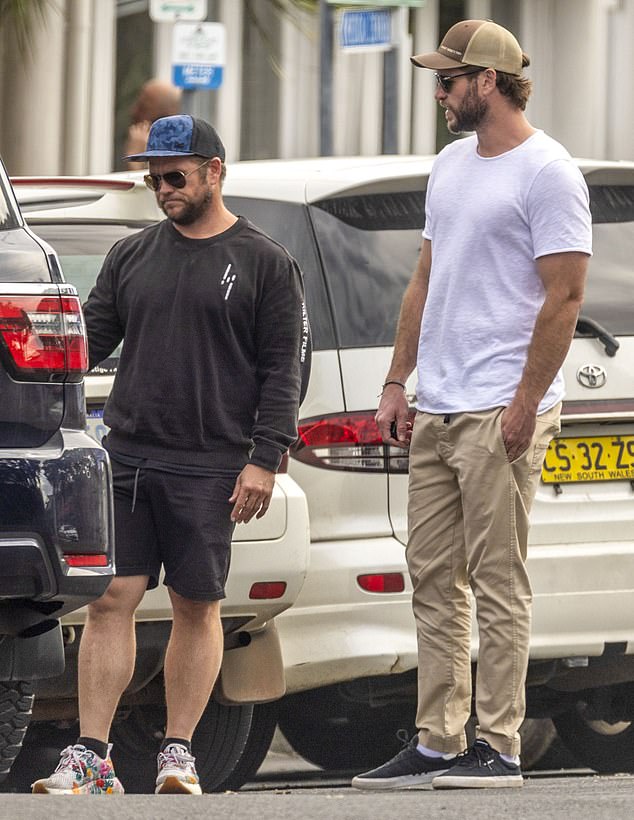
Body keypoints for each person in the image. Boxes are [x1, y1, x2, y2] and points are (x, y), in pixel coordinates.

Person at [33, 114, 310, 795]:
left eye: (175, 175)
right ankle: (92, 758)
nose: (162, 187)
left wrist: (265, 458)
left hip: (212, 461)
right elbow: (85, 344)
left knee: (196, 603)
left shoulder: (265, 262)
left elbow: (284, 370)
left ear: (215, 171)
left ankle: (177, 752)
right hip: (127, 457)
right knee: (111, 599)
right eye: (153, 177)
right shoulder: (132, 255)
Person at [352, 20, 591, 791]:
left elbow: (566, 296)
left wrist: (526, 402)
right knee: (431, 577)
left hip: (501, 407)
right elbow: (424, 279)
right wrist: (398, 381)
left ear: (487, 82)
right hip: (441, 403)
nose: (439, 91)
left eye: (449, 80)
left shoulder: (548, 172)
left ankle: (501, 745)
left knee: (498, 580)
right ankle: (438, 740)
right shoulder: (452, 164)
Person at [124, 79, 182, 171]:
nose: (134, 112)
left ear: (166, 115)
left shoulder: (179, 154)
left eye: (143, 108)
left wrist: (135, 161)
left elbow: (155, 184)